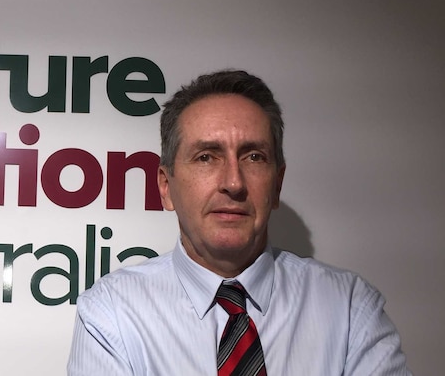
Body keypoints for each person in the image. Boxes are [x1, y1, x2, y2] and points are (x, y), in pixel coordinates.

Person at [67, 70, 410, 375]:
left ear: (277, 184)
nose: (234, 182)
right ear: (166, 187)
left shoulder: (350, 310)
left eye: (254, 157)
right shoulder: (112, 313)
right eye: (206, 157)